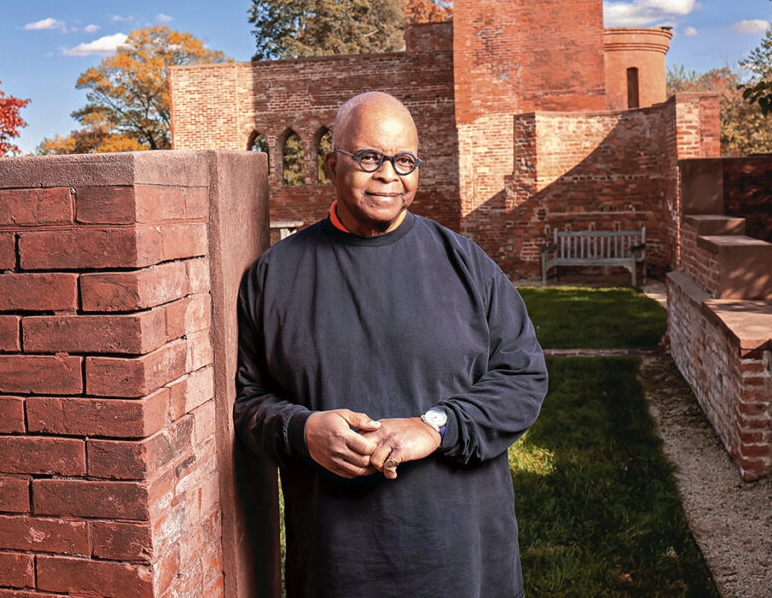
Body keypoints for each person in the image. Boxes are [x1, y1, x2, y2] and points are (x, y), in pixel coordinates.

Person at [234, 91, 547, 597]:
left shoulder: (466, 265)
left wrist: (436, 426)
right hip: (338, 565)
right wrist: (303, 429)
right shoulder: (274, 276)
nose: (389, 175)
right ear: (332, 164)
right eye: (369, 158)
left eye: (404, 161)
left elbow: (523, 379)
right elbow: (249, 403)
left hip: (464, 561)